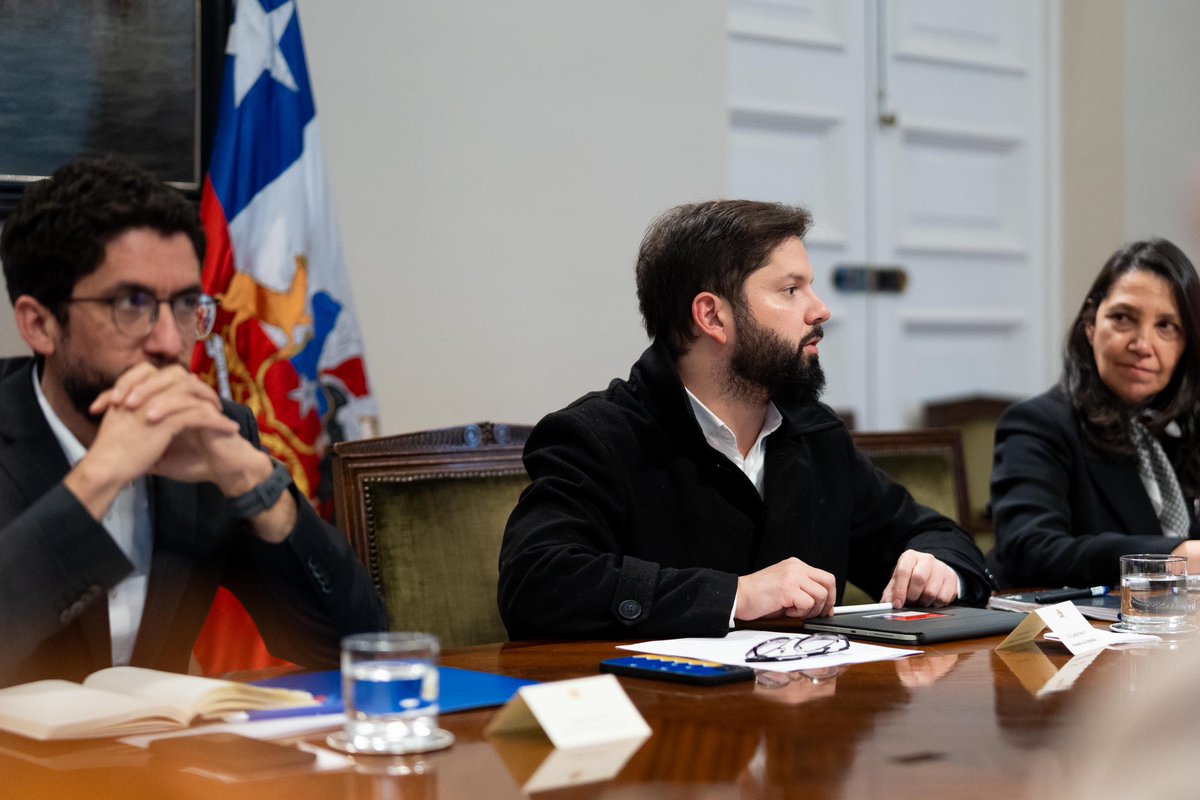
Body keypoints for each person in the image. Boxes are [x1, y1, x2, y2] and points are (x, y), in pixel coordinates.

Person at [498, 199, 993, 640]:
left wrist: (939, 566)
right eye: (791, 290)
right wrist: (733, 595)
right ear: (712, 316)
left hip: (807, 728)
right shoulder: (597, 436)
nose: (820, 310)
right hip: (666, 727)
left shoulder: (812, 432)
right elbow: (537, 583)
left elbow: (937, 537)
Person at [0, 155, 387, 687]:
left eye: (186, 306)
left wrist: (254, 484)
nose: (169, 342)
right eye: (131, 304)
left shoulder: (211, 433)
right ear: (40, 324)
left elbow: (356, 648)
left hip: (165, 765)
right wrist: (98, 478)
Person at [990, 238, 1200, 588]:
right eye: (1123, 318)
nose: (1142, 345)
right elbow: (1029, 547)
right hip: (1056, 634)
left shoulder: (1180, 429)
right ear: (1090, 323)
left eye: (1166, 326)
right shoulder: (1037, 423)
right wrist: (1175, 557)